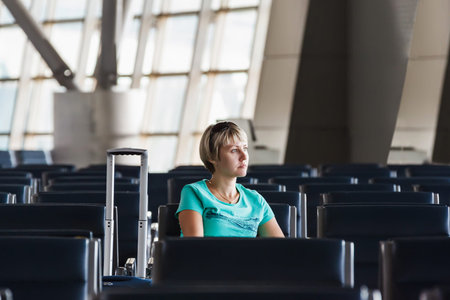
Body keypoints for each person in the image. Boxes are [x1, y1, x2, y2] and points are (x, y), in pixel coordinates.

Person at [176, 121, 284, 237]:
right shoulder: (194, 192)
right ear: (212, 157)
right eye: (234, 150)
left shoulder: (256, 200)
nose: (244, 157)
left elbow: (281, 250)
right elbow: (193, 249)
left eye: (245, 148)